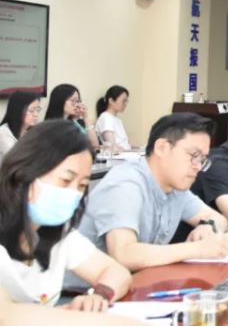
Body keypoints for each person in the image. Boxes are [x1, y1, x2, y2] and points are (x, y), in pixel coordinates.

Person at [0, 120, 134, 323]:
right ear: (25, 172)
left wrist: (98, 296)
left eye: (82, 185)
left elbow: (117, 272)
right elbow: (6, 315)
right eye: (65, 180)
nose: (73, 194)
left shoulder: (55, 234)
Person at [73, 113, 228, 277]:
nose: (198, 166)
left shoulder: (176, 187)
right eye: (194, 156)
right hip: (82, 291)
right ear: (162, 148)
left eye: (202, 159)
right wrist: (196, 249)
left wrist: (207, 226)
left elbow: (220, 219)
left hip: (133, 282)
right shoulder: (126, 183)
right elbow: (124, 254)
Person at [45, 84, 100, 150]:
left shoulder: (74, 123)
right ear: (60, 101)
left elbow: (95, 146)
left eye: (78, 101)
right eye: (73, 101)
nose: (76, 105)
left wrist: (86, 117)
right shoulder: (51, 127)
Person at [0, 91, 42, 162]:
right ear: (18, 111)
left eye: (37, 110)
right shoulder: (3, 133)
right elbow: (19, 159)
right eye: (32, 110)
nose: (36, 114)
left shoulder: (34, 131)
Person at [94, 86, 131, 152]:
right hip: (118, 156)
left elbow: (125, 145)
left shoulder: (117, 120)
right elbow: (112, 145)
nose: (125, 104)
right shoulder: (105, 118)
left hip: (124, 154)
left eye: (126, 101)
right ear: (111, 101)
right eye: (123, 101)